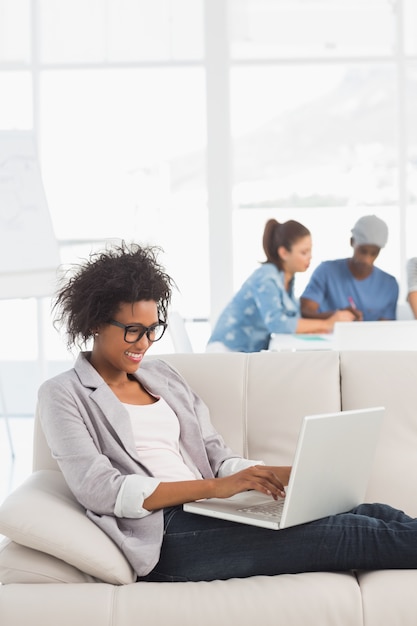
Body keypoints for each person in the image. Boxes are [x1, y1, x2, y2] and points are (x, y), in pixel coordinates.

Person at [38, 241, 417, 583]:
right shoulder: (63, 394)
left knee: (370, 511)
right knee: (352, 533)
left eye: (154, 329)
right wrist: (217, 488)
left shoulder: (162, 376)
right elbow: (102, 491)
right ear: (93, 323)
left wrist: (262, 474)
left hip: (211, 510)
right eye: (133, 330)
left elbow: (215, 453)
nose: (146, 343)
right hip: (167, 537)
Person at [206, 218, 355, 353]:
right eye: (304, 252)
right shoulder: (266, 277)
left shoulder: (287, 278)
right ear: (284, 253)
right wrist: (327, 324)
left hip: (247, 355)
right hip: (226, 352)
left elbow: (293, 319)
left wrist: (332, 318)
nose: (310, 257)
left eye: (310, 250)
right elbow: (278, 324)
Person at [300, 215, 399, 322]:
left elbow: (386, 329)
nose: (367, 260)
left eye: (374, 253)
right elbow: (305, 311)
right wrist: (337, 316)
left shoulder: (389, 284)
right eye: (363, 251)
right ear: (352, 242)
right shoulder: (326, 271)